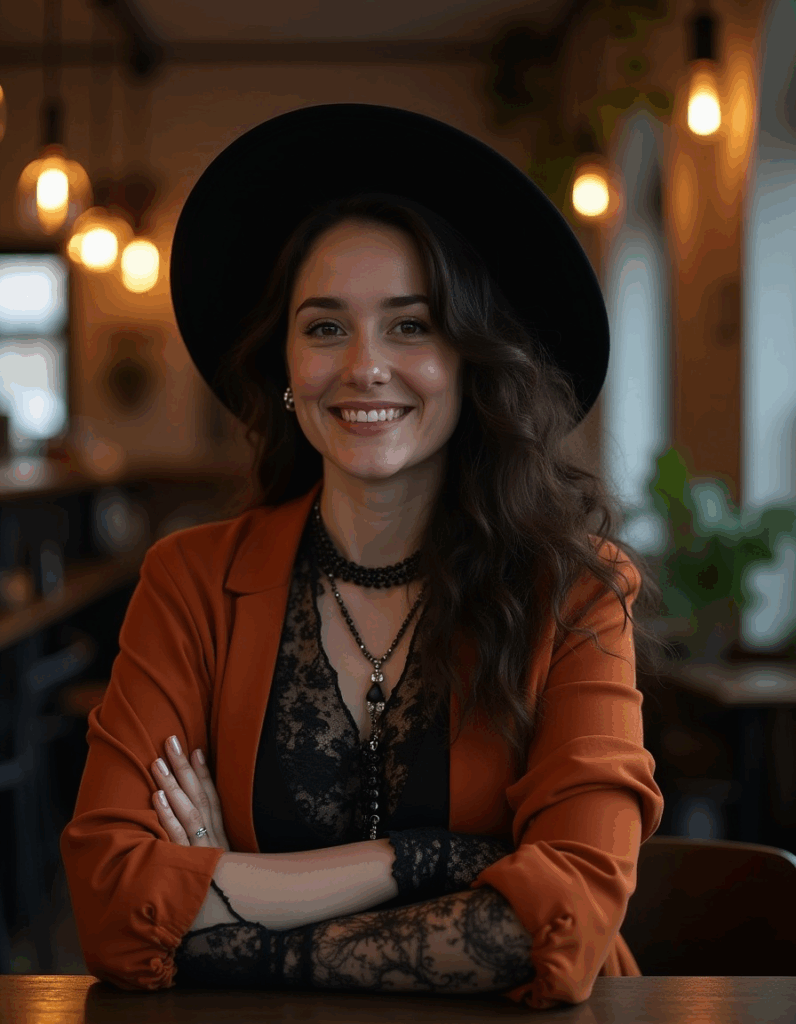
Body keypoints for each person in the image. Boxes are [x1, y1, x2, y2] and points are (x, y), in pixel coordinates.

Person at [60, 103, 665, 1009]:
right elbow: (113, 903)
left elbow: (558, 924)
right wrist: (443, 865)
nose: (364, 367)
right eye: (325, 326)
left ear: (472, 359)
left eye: (411, 326)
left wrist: (222, 906)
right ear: (284, 368)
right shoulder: (188, 581)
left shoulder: (576, 590)